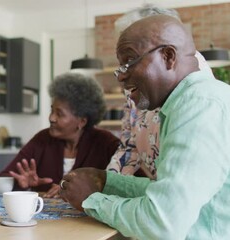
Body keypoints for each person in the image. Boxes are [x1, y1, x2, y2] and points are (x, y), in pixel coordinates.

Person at [60, 15, 230, 239]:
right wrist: (108, 182)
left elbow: (162, 222)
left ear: (168, 56)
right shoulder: (191, 102)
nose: (121, 77)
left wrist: (91, 200)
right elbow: (167, 195)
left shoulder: (199, 107)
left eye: (129, 62)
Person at [105, 4, 213, 180]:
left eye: (131, 57)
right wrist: (107, 184)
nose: (123, 74)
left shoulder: (198, 91)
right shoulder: (135, 78)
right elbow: (129, 144)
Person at [0, 72, 120, 198]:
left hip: (87, 217)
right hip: (43, 216)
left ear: (81, 121)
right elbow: (3, 177)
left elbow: (136, 185)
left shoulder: (105, 143)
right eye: (52, 110)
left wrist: (89, 190)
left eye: (59, 114)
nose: (51, 118)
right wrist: (22, 184)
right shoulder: (42, 139)